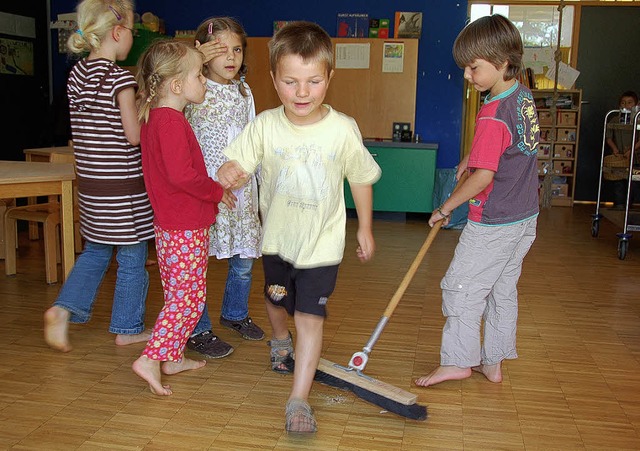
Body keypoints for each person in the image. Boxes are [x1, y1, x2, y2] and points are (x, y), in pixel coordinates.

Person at [216, 21, 381, 433]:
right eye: (290, 82)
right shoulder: (266, 125)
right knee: (275, 300)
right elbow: (236, 161)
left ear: (329, 77)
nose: (302, 93)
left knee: (310, 316)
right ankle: (278, 339)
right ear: (273, 79)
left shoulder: (342, 129)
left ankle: (298, 398)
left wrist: (365, 227)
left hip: (322, 245)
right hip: (276, 240)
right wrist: (228, 172)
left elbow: (359, 176)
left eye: (312, 81)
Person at [414, 14, 539, 388]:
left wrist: (445, 207)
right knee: (502, 290)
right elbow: (510, 146)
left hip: (494, 222)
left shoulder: (491, 113)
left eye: (473, 68)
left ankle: (457, 361)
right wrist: (472, 156)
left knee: (462, 287)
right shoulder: (522, 96)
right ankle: (493, 361)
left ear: (502, 63)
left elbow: (484, 178)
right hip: (524, 218)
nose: (467, 76)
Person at [44, 0, 155, 353]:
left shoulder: (77, 74)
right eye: (132, 33)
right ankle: (127, 327)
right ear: (118, 33)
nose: (131, 41)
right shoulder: (120, 78)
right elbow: (133, 136)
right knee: (134, 257)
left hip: (91, 185)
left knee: (95, 251)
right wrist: (148, 109)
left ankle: (62, 310)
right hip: (123, 187)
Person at [131, 39, 235, 396]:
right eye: (198, 75)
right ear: (177, 86)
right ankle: (151, 358)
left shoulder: (157, 118)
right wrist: (216, 191)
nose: (204, 81)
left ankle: (171, 357)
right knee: (187, 298)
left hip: (172, 223)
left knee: (181, 292)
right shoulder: (171, 122)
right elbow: (182, 175)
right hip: (183, 225)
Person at [183, 17, 264, 360]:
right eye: (220, 50)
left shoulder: (245, 91)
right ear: (202, 54)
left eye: (236, 49)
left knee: (243, 260)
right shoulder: (190, 88)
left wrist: (249, 172)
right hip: (205, 192)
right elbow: (185, 144)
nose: (231, 57)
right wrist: (194, 61)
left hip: (242, 192)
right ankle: (197, 328)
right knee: (197, 262)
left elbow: (253, 138)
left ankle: (234, 312)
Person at [605, 90, 640, 209]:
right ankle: (619, 205)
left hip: (635, 158)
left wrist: (632, 150)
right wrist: (614, 149)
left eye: (630, 103)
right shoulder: (615, 119)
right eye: (623, 103)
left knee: (633, 182)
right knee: (618, 182)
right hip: (619, 157)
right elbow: (608, 137)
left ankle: (628, 206)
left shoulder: (638, 119)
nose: (626, 105)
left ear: (636, 104)